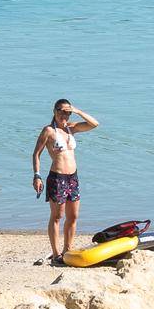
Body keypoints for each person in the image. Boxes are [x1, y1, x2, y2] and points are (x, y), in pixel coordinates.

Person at [32, 99, 100, 264]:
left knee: (73, 216)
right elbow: (36, 154)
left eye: (67, 112)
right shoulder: (48, 131)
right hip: (57, 177)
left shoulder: (71, 128)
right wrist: (37, 175)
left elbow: (94, 124)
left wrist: (77, 110)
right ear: (55, 111)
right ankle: (56, 255)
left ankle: (67, 250)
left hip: (73, 178)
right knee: (57, 216)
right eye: (62, 111)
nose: (64, 115)